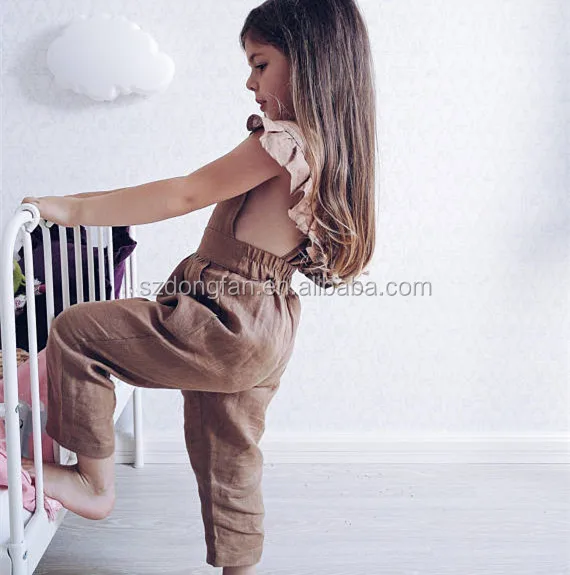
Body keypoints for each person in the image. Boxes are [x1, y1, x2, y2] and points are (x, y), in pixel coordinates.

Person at [20, 0, 377, 572]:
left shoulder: (282, 142)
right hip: (265, 325)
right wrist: (73, 204)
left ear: (310, 61)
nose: (250, 82)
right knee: (229, 452)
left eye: (260, 65)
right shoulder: (327, 148)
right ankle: (241, 566)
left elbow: (184, 192)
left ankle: (92, 483)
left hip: (224, 317)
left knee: (75, 330)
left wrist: (72, 209)